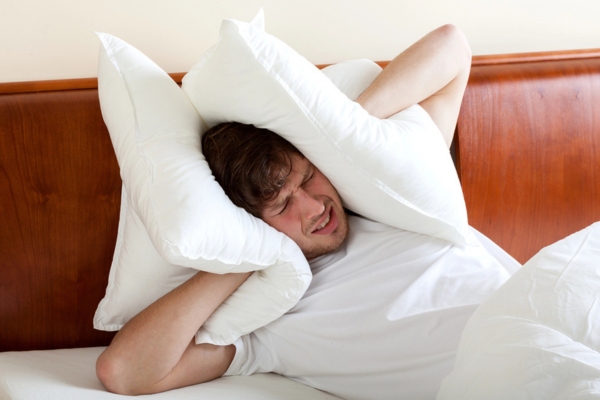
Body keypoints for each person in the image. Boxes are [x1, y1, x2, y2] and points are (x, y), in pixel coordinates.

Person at [95, 25, 519, 398]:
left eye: (308, 177)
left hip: (552, 312)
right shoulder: (266, 319)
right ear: (250, 222)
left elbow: (452, 48)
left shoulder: (386, 199)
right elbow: (125, 372)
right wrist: (242, 253)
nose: (316, 207)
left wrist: (343, 137)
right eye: (282, 206)